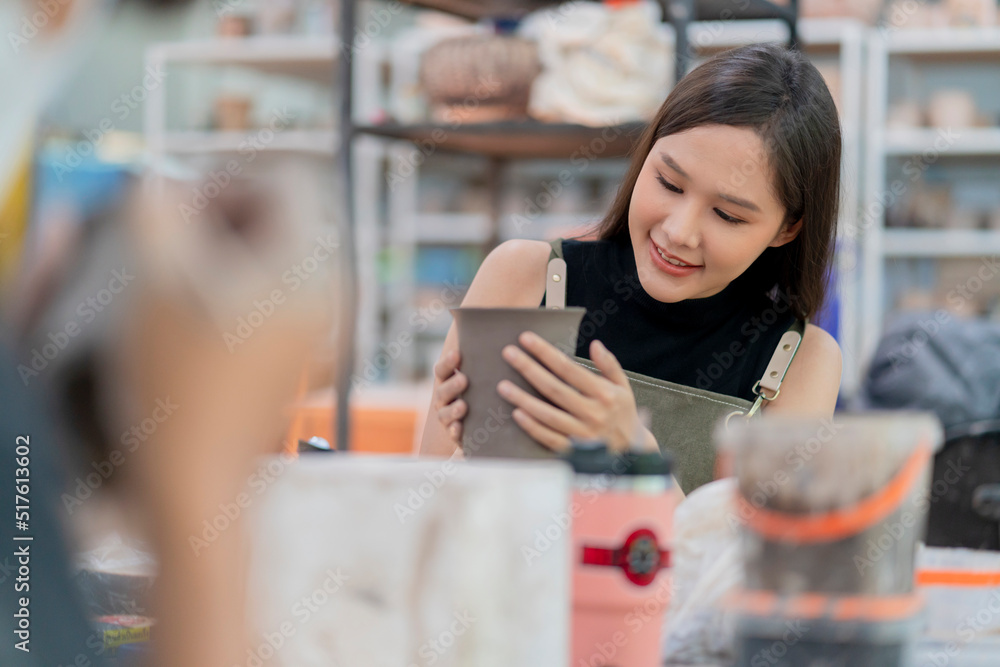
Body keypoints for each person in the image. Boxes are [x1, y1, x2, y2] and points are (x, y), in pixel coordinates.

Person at [420, 43, 843, 492]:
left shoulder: (798, 361)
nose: (680, 231)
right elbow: (423, 522)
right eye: (669, 182)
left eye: (728, 215)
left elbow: (751, 563)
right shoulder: (525, 277)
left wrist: (637, 455)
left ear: (787, 229)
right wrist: (468, 456)